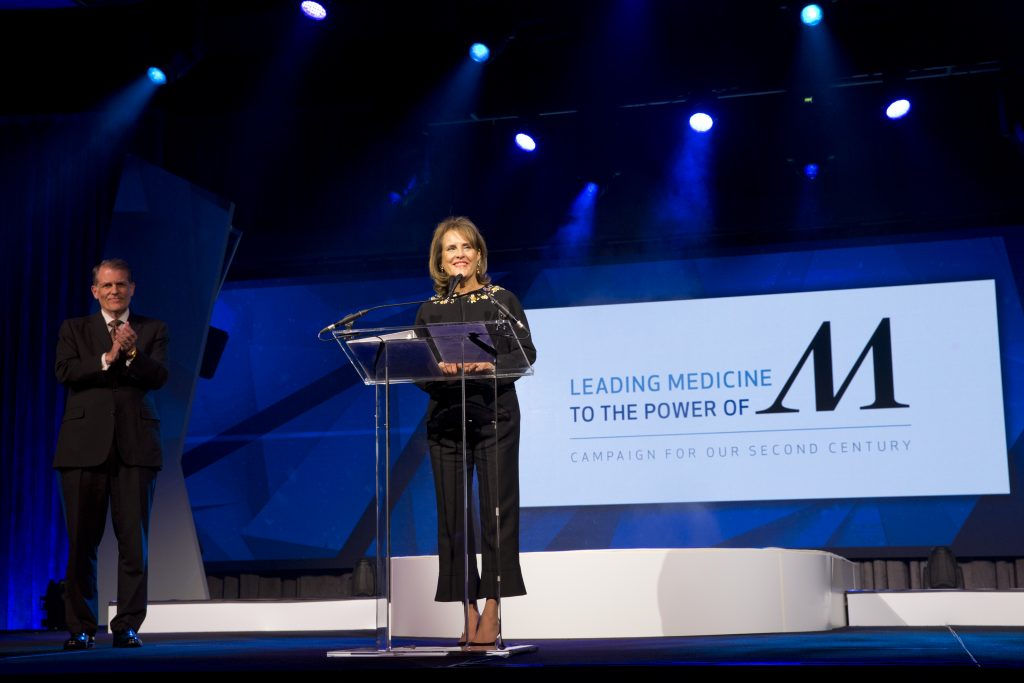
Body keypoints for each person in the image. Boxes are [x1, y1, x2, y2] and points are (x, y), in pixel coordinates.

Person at [415, 217, 536, 647]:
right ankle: (465, 608)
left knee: (496, 514)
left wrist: (489, 365)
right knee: (453, 518)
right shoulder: (429, 311)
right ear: (440, 260)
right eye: (450, 249)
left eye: (466, 247)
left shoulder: (502, 300)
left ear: (479, 256)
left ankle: (493, 609)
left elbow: (526, 356)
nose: (459, 254)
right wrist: (438, 371)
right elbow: (416, 367)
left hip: (494, 416)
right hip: (446, 420)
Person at [53, 258, 169, 650]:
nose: (114, 291)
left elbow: (159, 378)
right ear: (95, 291)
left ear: (132, 288)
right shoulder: (74, 329)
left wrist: (133, 354)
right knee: (82, 541)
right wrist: (108, 358)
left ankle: (127, 626)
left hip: (135, 446)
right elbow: (65, 372)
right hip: (83, 448)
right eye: (107, 286)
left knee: (133, 543)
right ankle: (81, 627)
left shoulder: (152, 329)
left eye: (121, 285)